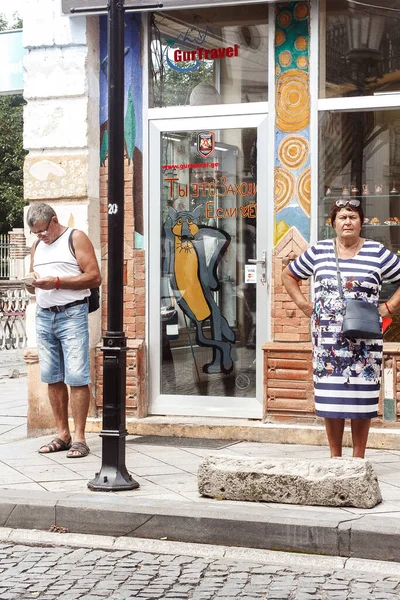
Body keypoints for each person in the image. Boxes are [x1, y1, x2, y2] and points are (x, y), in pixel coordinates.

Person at [282, 198, 400, 458]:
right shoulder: (320, 251)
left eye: (353, 217)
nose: (348, 221)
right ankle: (335, 457)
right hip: (327, 342)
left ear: (361, 223)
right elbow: (288, 274)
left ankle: (359, 458)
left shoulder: (377, 252)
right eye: (342, 217)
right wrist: (303, 304)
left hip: (365, 340)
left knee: (362, 399)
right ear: (333, 223)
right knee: (330, 398)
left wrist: (388, 307)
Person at [25, 203, 101, 458]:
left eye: (43, 231)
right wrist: (32, 283)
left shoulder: (75, 237)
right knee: (51, 376)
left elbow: (94, 277)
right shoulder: (37, 245)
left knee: (77, 376)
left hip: (72, 314)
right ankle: (62, 434)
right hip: (44, 315)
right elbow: (36, 277)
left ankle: (80, 438)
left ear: (54, 221)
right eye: (36, 233)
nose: (41, 236)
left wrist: (56, 282)